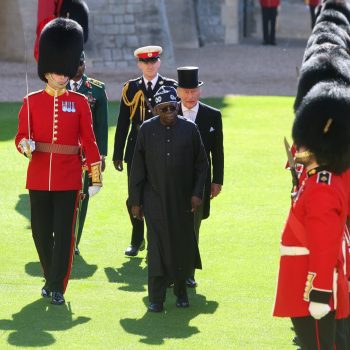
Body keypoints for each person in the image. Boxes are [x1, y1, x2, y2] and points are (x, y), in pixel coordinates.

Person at [15, 18, 102, 305]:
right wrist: (24, 145)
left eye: (65, 72)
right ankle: (50, 276)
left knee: (64, 235)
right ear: (46, 72)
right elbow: (21, 136)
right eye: (57, 72)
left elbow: (89, 141)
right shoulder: (32, 101)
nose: (62, 77)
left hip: (67, 178)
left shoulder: (78, 102)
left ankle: (56, 287)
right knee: (40, 233)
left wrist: (95, 176)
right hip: (39, 175)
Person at [273, 81, 350, 349]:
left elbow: (324, 243)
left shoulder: (321, 188)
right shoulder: (319, 179)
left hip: (311, 285)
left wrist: (320, 292)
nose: (299, 147)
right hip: (305, 278)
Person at [128, 86, 208, 312]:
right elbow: (137, 169)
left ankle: (181, 292)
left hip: (183, 200)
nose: (169, 112)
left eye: (173, 107)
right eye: (164, 109)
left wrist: (196, 194)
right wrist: (135, 201)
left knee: (180, 245)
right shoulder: (146, 130)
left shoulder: (190, 129)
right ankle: (156, 298)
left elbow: (202, 165)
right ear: (155, 110)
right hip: (154, 199)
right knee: (156, 247)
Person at [112, 45, 178, 257]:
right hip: (136, 147)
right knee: (135, 194)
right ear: (139, 64)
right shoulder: (130, 88)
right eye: (145, 62)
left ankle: (155, 241)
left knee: (159, 193)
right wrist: (117, 153)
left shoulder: (170, 86)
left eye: (153, 61)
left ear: (159, 63)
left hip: (163, 146)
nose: (150, 65)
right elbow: (122, 123)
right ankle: (136, 238)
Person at [177, 66, 224, 288]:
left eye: (194, 90)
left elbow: (218, 151)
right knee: (172, 226)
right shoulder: (168, 113)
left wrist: (217, 180)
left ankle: (188, 272)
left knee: (193, 229)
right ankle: (170, 271)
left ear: (200, 91)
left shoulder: (213, 115)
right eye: (185, 91)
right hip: (172, 182)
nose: (190, 95)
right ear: (178, 92)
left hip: (200, 183)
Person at [68, 51, 108, 255]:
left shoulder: (97, 90)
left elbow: (101, 125)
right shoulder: (58, 86)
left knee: (82, 197)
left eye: (80, 63)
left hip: (86, 155)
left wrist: (101, 157)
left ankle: (74, 240)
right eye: (74, 63)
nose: (77, 68)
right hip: (64, 153)